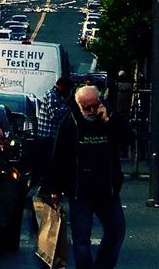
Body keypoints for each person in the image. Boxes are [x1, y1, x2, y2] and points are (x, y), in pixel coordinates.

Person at [50, 85, 132, 269]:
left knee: (117, 230)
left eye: (95, 105)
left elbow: (127, 140)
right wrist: (54, 188)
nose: (92, 111)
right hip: (80, 191)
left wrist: (110, 121)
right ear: (78, 105)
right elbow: (58, 155)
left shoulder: (108, 117)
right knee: (81, 240)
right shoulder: (70, 122)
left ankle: (103, 265)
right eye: (87, 108)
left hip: (107, 189)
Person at [37, 76, 73, 189]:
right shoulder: (51, 94)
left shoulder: (57, 95)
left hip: (51, 135)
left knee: (52, 163)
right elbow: (54, 114)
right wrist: (68, 106)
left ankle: (50, 185)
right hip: (47, 136)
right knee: (48, 163)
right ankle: (46, 187)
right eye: (67, 88)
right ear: (61, 86)